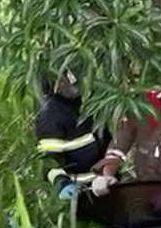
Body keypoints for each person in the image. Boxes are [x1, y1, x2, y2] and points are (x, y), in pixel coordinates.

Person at [34, 71, 109, 200]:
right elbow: (49, 161)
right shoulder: (50, 116)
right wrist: (62, 184)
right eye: (66, 78)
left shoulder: (92, 103)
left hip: (108, 182)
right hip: (81, 191)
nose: (73, 81)